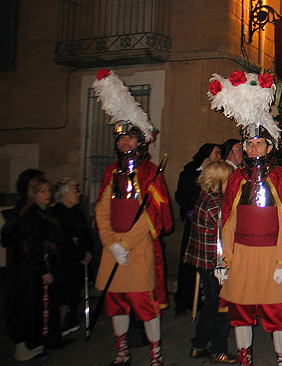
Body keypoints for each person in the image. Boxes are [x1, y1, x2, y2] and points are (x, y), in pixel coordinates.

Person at [207, 69, 282, 366]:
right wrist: (224, 260)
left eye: (259, 143)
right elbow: (227, 222)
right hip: (243, 257)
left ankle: (281, 359)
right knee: (240, 312)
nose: (253, 148)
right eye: (249, 144)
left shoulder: (281, 177)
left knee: (277, 313)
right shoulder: (236, 178)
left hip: (271, 257)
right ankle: (245, 357)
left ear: (269, 146)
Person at [92, 68, 173, 366]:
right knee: (116, 304)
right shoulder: (110, 173)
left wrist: (126, 244)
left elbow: (153, 214)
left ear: (140, 141)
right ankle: (121, 350)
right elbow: (101, 210)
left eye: (130, 138)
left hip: (138, 249)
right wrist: (110, 242)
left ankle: (155, 352)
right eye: (121, 139)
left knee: (145, 303)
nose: (125, 143)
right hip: (113, 248)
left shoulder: (151, 173)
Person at [2, 176, 64, 361]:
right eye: (42, 191)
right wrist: (43, 270)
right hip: (30, 271)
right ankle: (27, 346)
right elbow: (35, 245)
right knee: (30, 307)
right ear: (34, 194)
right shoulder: (33, 215)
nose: (47, 194)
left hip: (30, 269)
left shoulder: (35, 212)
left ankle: (34, 345)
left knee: (35, 307)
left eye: (48, 190)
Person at [182, 160, 237, 363]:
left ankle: (199, 344)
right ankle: (218, 349)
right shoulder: (216, 202)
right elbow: (225, 233)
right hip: (214, 262)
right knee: (220, 306)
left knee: (211, 304)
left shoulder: (206, 196)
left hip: (204, 259)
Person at [174, 143, 221, 316]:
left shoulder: (217, 172)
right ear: (206, 155)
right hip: (193, 225)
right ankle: (184, 300)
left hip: (210, 227)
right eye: (216, 153)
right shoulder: (188, 173)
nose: (219, 156)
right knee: (189, 264)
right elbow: (181, 196)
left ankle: (205, 301)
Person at [50, 178, 93, 336]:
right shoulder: (57, 213)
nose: (79, 193)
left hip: (76, 260)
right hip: (63, 261)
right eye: (75, 191)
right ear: (65, 194)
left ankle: (70, 320)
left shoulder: (77, 211)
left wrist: (87, 250)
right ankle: (59, 328)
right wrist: (77, 246)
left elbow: (84, 233)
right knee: (63, 295)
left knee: (73, 292)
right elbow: (64, 239)